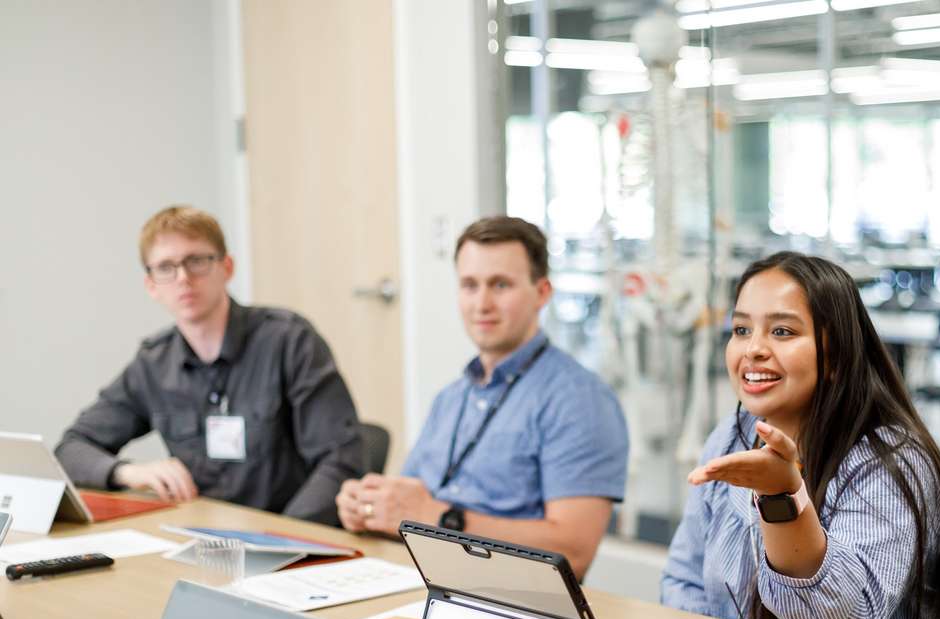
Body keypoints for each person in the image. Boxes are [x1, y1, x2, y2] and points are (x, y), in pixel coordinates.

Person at [661, 251, 940, 619]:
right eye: (741, 329)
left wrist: (782, 498)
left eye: (782, 331)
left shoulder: (891, 463)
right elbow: (682, 582)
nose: (753, 349)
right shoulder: (731, 435)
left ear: (833, 355)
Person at [335, 217, 627, 578]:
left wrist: (440, 518)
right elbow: (407, 509)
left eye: (500, 285)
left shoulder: (580, 400)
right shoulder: (451, 398)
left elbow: (573, 551)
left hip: (510, 596)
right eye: (469, 285)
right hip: (420, 580)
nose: (482, 304)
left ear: (542, 293)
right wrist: (369, 510)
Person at [56, 205, 363, 525]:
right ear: (151, 285)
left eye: (197, 261)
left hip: (289, 534)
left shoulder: (289, 341)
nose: (183, 278)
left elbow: (342, 460)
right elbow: (71, 449)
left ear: (226, 268)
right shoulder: (153, 364)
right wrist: (128, 472)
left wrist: (281, 537)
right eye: (166, 267)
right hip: (199, 538)